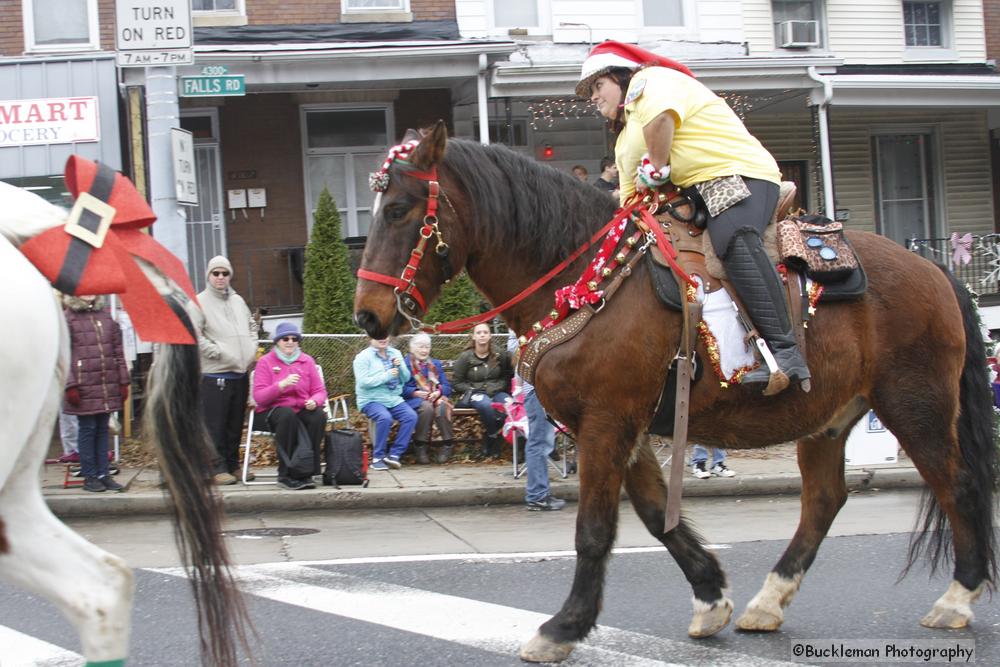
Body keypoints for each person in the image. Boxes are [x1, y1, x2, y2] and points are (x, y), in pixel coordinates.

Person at [578, 40, 809, 395]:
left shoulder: (651, 81)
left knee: (730, 239)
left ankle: (786, 352)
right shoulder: (625, 137)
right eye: (590, 91)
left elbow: (659, 122)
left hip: (736, 175)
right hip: (694, 195)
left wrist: (655, 169)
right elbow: (628, 199)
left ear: (621, 76)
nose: (593, 97)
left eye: (598, 85)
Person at [192, 255, 258, 485]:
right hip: (215, 373)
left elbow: (251, 326)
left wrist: (252, 346)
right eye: (216, 273)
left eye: (224, 273)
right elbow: (195, 334)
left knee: (234, 424)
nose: (220, 278)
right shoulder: (198, 302)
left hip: (239, 373)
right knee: (215, 425)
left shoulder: (238, 301)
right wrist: (215, 352)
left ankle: (233, 465)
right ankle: (216, 467)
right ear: (209, 276)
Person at [63, 295, 129, 493]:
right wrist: (70, 384)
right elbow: (63, 353)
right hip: (83, 383)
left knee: (102, 428)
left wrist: (123, 379)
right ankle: (90, 475)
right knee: (88, 428)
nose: (88, 294)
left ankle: (103, 474)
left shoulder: (106, 317)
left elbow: (118, 351)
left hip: (105, 381)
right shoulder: (68, 318)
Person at [252, 322, 326, 490]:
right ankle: (285, 474)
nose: (290, 342)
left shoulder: (306, 361)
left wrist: (314, 401)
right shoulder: (266, 362)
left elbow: (319, 390)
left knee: (318, 416)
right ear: (277, 341)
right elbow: (260, 397)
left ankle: (307, 471)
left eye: (294, 339)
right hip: (270, 412)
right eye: (285, 338)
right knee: (287, 415)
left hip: (300, 408)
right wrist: (280, 386)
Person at [507, 333, 566, 511]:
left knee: (540, 442)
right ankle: (537, 495)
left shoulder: (525, 330)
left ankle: (538, 493)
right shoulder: (527, 330)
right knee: (539, 443)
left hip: (536, 390)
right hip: (537, 390)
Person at [451, 323, 514, 460]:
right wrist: (472, 389)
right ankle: (494, 437)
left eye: (485, 332)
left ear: (490, 335)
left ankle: (488, 435)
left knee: (510, 405)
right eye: (479, 333)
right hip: (475, 393)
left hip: (497, 391)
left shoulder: (499, 354)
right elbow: (457, 383)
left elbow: (506, 376)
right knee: (485, 405)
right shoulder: (466, 357)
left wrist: (499, 387)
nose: (482, 335)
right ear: (474, 336)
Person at [354, 337, 418, 471]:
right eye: (378, 335)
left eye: (385, 335)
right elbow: (363, 382)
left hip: (393, 398)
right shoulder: (363, 357)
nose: (383, 338)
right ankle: (378, 457)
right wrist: (387, 375)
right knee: (385, 417)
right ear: (370, 337)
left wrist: (400, 366)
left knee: (410, 416)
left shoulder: (395, 353)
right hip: (371, 399)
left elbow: (406, 378)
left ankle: (394, 455)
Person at [402, 333, 455, 464]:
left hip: (433, 398)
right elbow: (399, 389)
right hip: (411, 400)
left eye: (427, 347)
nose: (424, 350)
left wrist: (438, 392)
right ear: (412, 348)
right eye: (421, 347)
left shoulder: (435, 364)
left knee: (442, 406)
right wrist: (415, 392)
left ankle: (448, 444)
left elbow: (447, 387)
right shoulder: (405, 364)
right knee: (426, 407)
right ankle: (420, 446)